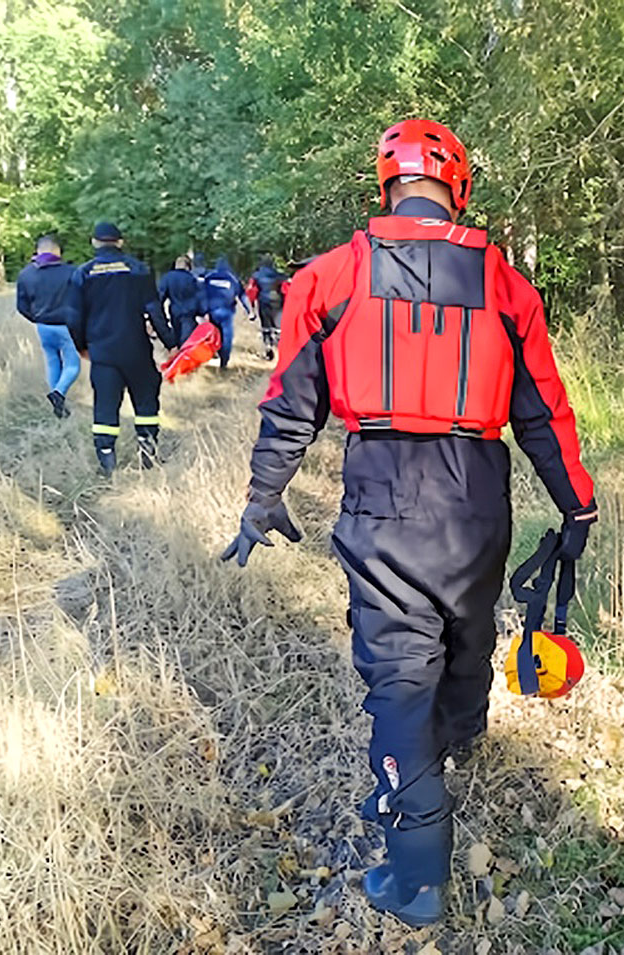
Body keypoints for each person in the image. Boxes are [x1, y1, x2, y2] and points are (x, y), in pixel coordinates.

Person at [221, 118, 597, 925]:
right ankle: (458, 737)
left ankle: (419, 871)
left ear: (384, 186)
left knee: (398, 673)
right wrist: (577, 502)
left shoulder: (332, 275)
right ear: (457, 187)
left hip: (383, 485)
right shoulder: (504, 282)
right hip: (477, 490)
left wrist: (264, 494)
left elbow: (291, 403)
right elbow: (544, 410)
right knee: (470, 625)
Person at [69, 222, 178, 475]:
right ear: (120, 242)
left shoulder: (82, 273)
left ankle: (107, 461)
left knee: (105, 406)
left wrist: (81, 347)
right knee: (146, 403)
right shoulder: (139, 270)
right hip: (137, 350)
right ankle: (148, 453)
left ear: (94, 242)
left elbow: (73, 317)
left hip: (103, 354)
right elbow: (154, 311)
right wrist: (170, 343)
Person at [16, 235, 80, 418]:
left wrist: (36, 318)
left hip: (43, 326)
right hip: (67, 327)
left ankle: (58, 406)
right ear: (57, 251)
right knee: (72, 365)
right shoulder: (71, 272)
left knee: (53, 362)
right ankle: (58, 394)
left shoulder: (26, 274)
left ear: (38, 251)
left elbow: (22, 306)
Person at [200, 255, 251, 368]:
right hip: (226, 313)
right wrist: (250, 311)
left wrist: (202, 310)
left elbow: (201, 293)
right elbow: (242, 296)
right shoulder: (232, 279)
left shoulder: (209, 277)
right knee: (227, 336)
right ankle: (224, 361)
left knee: (213, 335)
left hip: (212, 312)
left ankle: (212, 355)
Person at [250, 254, 288, 360]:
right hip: (278, 302)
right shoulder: (278, 275)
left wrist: (251, 306)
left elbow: (251, 291)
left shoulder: (256, 275)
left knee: (266, 326)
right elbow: (287, 288)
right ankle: (283, 352)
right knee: (278, 327)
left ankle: (268, 349)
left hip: (263, 301)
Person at [159, 255, 203, 348]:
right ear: (187, 266)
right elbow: (200, 297)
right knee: (186, 340)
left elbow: (161, 296)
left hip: (174, 312)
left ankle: (177, 355)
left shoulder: (167, 277)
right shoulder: (193, 279)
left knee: (177, 337)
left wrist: (159, 313)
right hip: (189, 313)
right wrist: (202, 312)